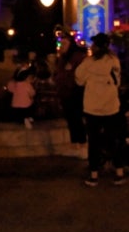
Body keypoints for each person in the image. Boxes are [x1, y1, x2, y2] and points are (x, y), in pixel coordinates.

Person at [75, 32, 125, 188]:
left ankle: (94, 175)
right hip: (111, 107)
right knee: (114, 140)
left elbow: (79, 79)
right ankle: (119, 172)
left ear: (96, 46)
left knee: (94, 142)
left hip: (92, 108)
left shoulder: (88, 63)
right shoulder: (114, 61)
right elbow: (117, 82)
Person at [53, 33, 87, 150]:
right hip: (64, 91)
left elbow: (79, 73)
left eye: (65, 43)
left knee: (76, 116)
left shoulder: (78, 57)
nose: (62, 46)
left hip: (75, 90)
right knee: (70, 117)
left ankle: (81, 140)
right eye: (61, 43)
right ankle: (75, 141)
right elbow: (59, 72)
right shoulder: (63, 57)